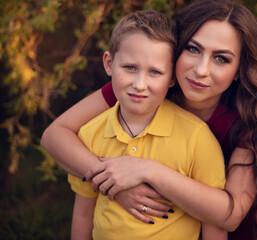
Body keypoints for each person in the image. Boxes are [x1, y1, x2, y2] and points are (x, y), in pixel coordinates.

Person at [41, 0, 257, 239]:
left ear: (239, 70)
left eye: (221, 58)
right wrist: (116, 186)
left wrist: (145, 169)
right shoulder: (145, 90)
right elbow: (55, 135)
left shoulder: (247, 123)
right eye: (193, 49)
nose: (201, 69)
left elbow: (230, 216)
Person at [66, 9, 227, 240]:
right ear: (109, 63)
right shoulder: (90, 134)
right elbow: (83, 215)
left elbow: (214, 222)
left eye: (155, 72)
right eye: (130, 68)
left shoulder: (197, 138)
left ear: (172, 77)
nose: (140, 84)